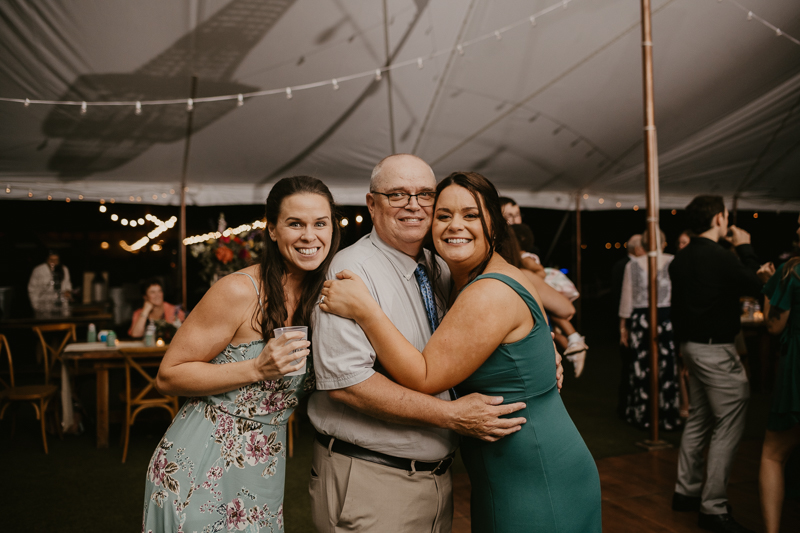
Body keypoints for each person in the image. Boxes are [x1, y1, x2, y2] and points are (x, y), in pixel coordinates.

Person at [321, 171, 601, 532]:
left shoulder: (487, 292)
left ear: (494, 227)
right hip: (510, 467)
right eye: (444, 215)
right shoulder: (461, 274)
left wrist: (367, 310)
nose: (456, 226)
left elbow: (423, 376)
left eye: (471, 215)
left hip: (536, 472)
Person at [141, 176, 340, 532]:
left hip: (262, 465)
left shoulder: (324, 297)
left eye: (319, 223)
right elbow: (169, 375)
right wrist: (257, 368)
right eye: (295, 223)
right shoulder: (237, 291)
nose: (310, 236)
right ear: (273, 230)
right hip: (202, 458)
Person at [670, 195, 764, 533]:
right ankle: (713, 507)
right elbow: (756, 284)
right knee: (729, 420)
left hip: (690, 348)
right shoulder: (722, 257)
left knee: (699, 417)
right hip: (716, 350)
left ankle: (686, 492)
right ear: (720, 219)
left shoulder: (679, 259)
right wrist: (747, 248)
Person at [758, 213, 800, 533]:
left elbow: (774, 325)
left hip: (796, 369)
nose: (798, 229)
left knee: (773, 455)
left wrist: (766, 287)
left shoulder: (791, 271)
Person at [618, 228, 681, 430]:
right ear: (663, 243)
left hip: (641, 320)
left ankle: (643, 414)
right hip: (666, 318)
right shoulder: (673, 261)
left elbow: (626, 300)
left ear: (644, 244)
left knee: (641, 367)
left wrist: (622, 328)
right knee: (667, 366)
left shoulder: (633, 265)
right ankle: (667, 414)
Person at [613, 234, 643, 416]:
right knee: (630, 367)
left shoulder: (621, 264)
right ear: (637, 249)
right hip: (629, 322)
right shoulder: (630, 266)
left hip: (622, 321)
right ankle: (627, 406)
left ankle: (625, 406)